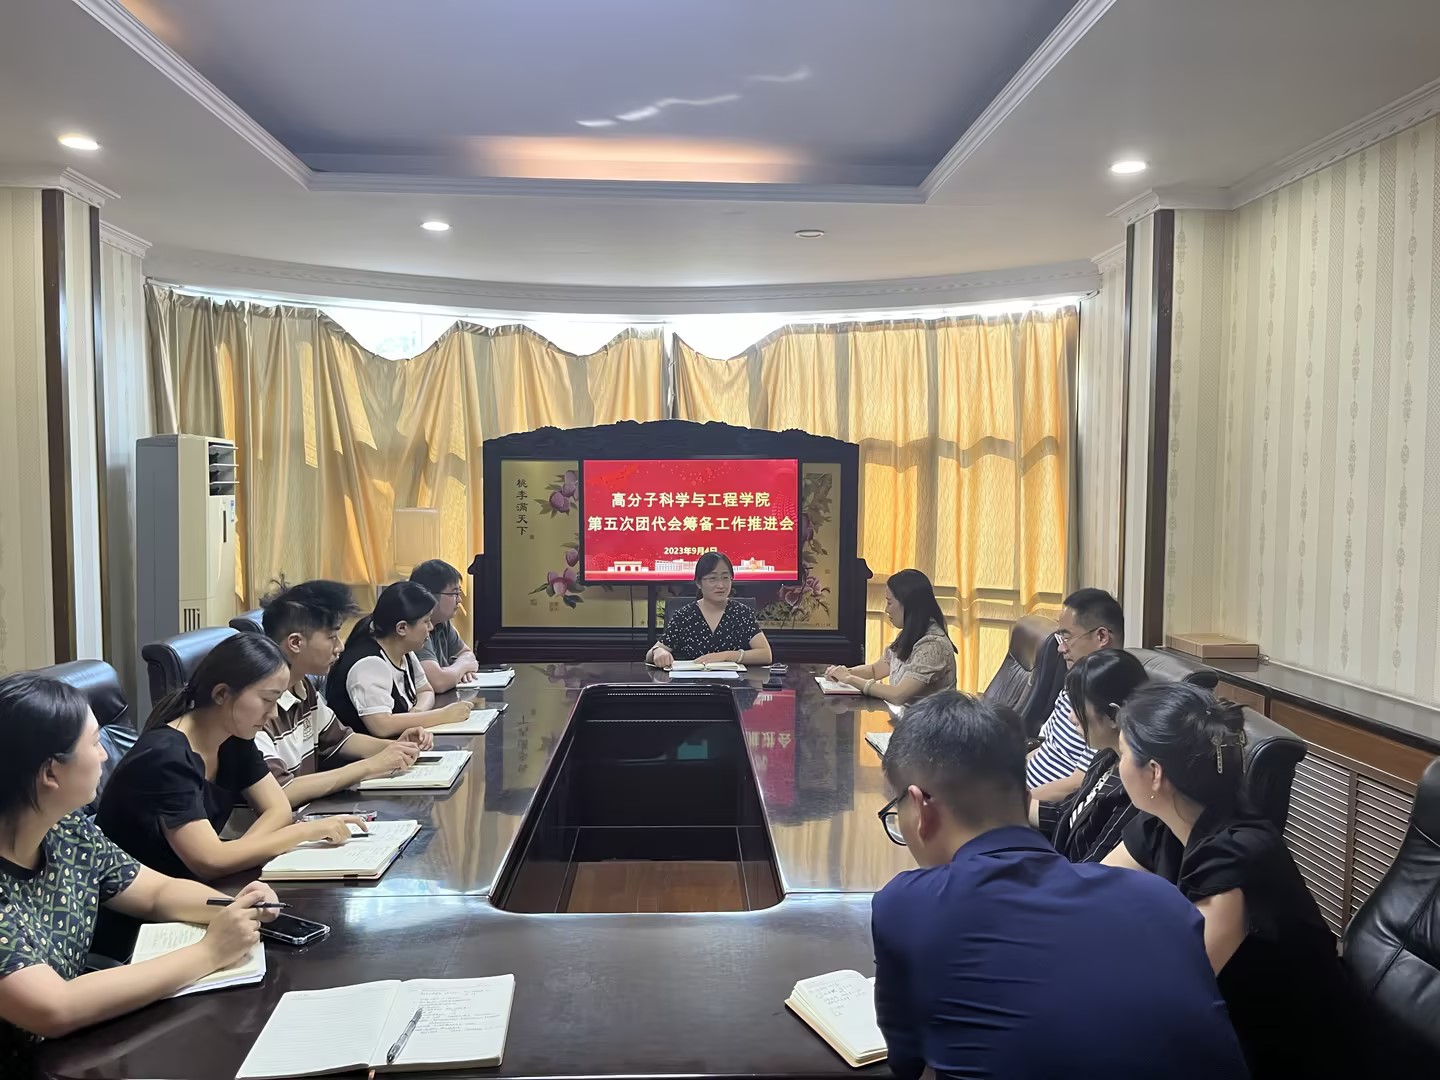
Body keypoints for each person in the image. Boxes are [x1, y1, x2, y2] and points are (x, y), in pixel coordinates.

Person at [872, 691, 1247, 1079]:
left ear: (920, 806)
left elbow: (908, 1064)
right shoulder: (1163, 900)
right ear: (1026, 797)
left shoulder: (907, 903)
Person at [0, 673, 282, 1065]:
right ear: (50, 773)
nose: (105, 756)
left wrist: (235, 905)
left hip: (73, 1052)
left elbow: (155, 892)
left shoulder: (65, 828)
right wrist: (209, 952)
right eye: (95, 743)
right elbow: (54, 1007)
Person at [1103, 683, 1359, 1076]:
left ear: (1154, 773)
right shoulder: (1163, 820)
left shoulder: (1237, 856)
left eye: (1121, 754)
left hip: (1288, 1052)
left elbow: (1175, 989)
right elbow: (1093, 888)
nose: (1117, 764)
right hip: (1221, 1028)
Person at [96, 634, 365, 881]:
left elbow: (278, 808)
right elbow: (209, 861)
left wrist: (237, 854)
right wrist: (303, 832)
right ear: (221, 694)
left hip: (190, 887)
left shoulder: (234, 736)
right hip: (144, 904)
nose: (273, 713)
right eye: (267, 699)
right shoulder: (166, 757)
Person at [259, 579, 435, 808]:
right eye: (332, 637)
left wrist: (395, 747)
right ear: (295, 643)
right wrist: (369, 766)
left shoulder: (302, 688)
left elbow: (342, 740)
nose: (340, 647)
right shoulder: (260, 706)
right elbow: (281, 791)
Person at [1030, 649, 1148, 863]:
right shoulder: (1106, 756)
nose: (1071, 717)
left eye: (1078, 707)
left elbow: (1094, 866)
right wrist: (1007, 804)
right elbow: (1065, 814)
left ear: (1113, 716)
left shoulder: (1134, 788)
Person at [327, 581, 473, 736]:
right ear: (402, 628)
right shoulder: (369, 664)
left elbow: (425, 690)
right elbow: (382, 726)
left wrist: (417, 713)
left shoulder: (404, 651)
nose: (431, 627)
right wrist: (442, 716)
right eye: (426, 621)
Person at [1026, 588, 1124, 803]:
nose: (1060, 648)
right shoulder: (1074, 682)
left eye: (1067, 637)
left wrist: (1012, 803)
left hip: (1040, 810)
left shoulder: (1108, 698)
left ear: (1101, 636)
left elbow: (1081, 782)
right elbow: (1046, 746)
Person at [824, 569, 956, 705]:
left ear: (908, 605)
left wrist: (849, 678)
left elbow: (898, 695)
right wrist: (842, 672)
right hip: (910, 716)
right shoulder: (911, 634)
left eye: (889, 602)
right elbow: (875, 670)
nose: (886, 610)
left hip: (929, 719)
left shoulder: (933, 645)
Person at [647, 552, 773, 669]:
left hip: (734, 684)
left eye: (725, 578)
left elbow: (765, 655)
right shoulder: (684, 616)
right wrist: (658, 652)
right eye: (712, 579)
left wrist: (726, 656)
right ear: (699, 583)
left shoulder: (742, 614)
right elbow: (651, 654)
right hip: (692, 683)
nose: (721, 585)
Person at [408, 560, 479, 693]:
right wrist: (462, 667)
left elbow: (468, 655)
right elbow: (438, 682)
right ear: (429, 595)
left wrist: (456, 671)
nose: (459, 600)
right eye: (454, 593)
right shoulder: (415, 627)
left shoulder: (442, 622)